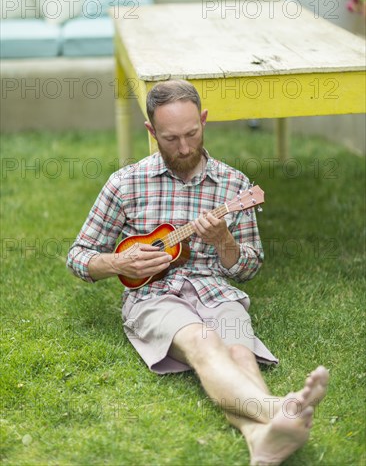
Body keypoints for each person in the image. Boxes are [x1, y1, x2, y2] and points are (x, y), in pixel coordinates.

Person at [67, 80, 329, 465]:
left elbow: (249, 267)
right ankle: (279, 411)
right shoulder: (125, 184)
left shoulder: (234, 185)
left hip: (217, 291)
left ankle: (261, 439)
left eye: (192, 133)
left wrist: (224, 240)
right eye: (171, 139)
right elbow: (78, 255)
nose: (185, 148)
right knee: (204, 343)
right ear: (151, 131)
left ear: (204, 120)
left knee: (239, 351)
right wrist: (118, 263)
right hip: (153, 297)